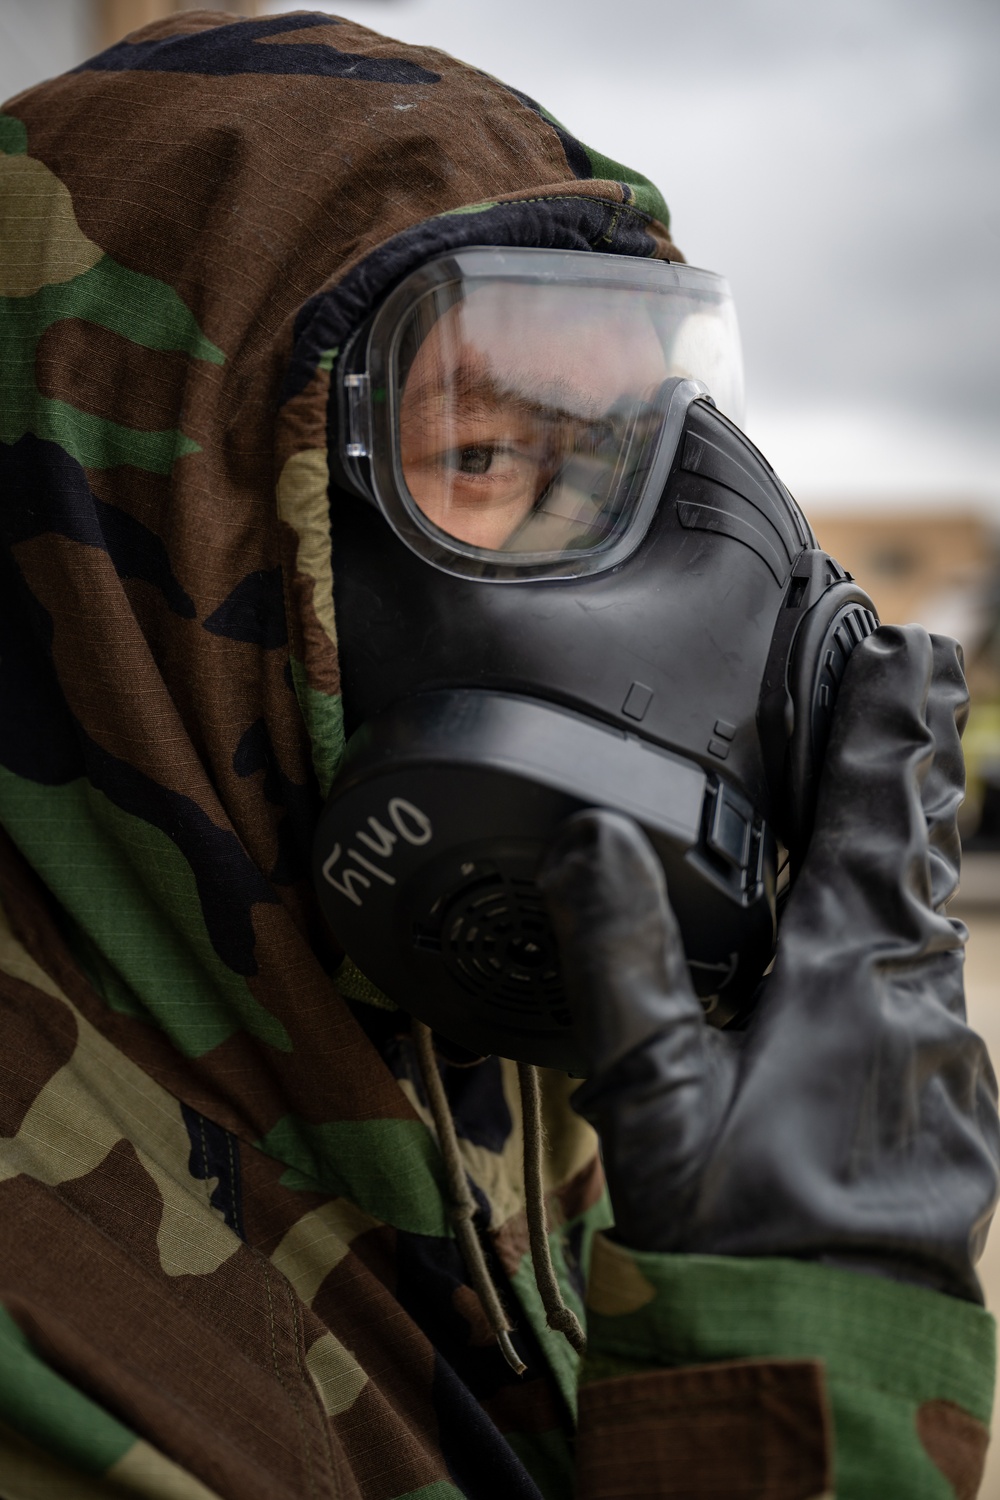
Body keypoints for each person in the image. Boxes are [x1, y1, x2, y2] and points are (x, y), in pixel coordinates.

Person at [0, 10, 996, 1498]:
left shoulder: (533, 1098)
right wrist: (795, 1378)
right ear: (151, 519)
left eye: (627, 452)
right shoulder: (51, 1360)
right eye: (484, 454)